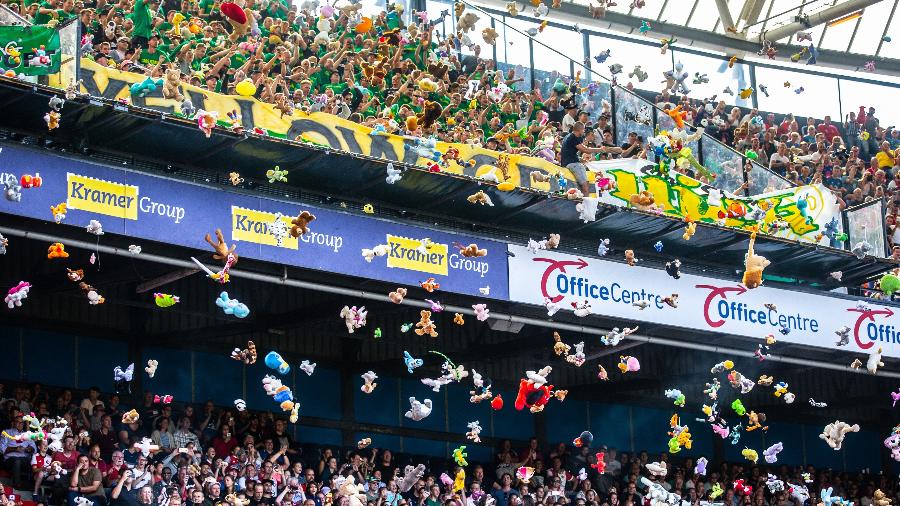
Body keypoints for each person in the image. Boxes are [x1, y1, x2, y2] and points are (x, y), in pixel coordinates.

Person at [559, 122, 618, 196]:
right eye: (583, 130)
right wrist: (600, 149)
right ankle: (586, 203)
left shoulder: (568, 137)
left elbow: (568, 153)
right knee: (585, 184)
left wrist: (581, 159)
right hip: (573, 164)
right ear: (580, 129)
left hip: (568, 163)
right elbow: (586, 150)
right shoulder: (573, 137)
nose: (583, 132)